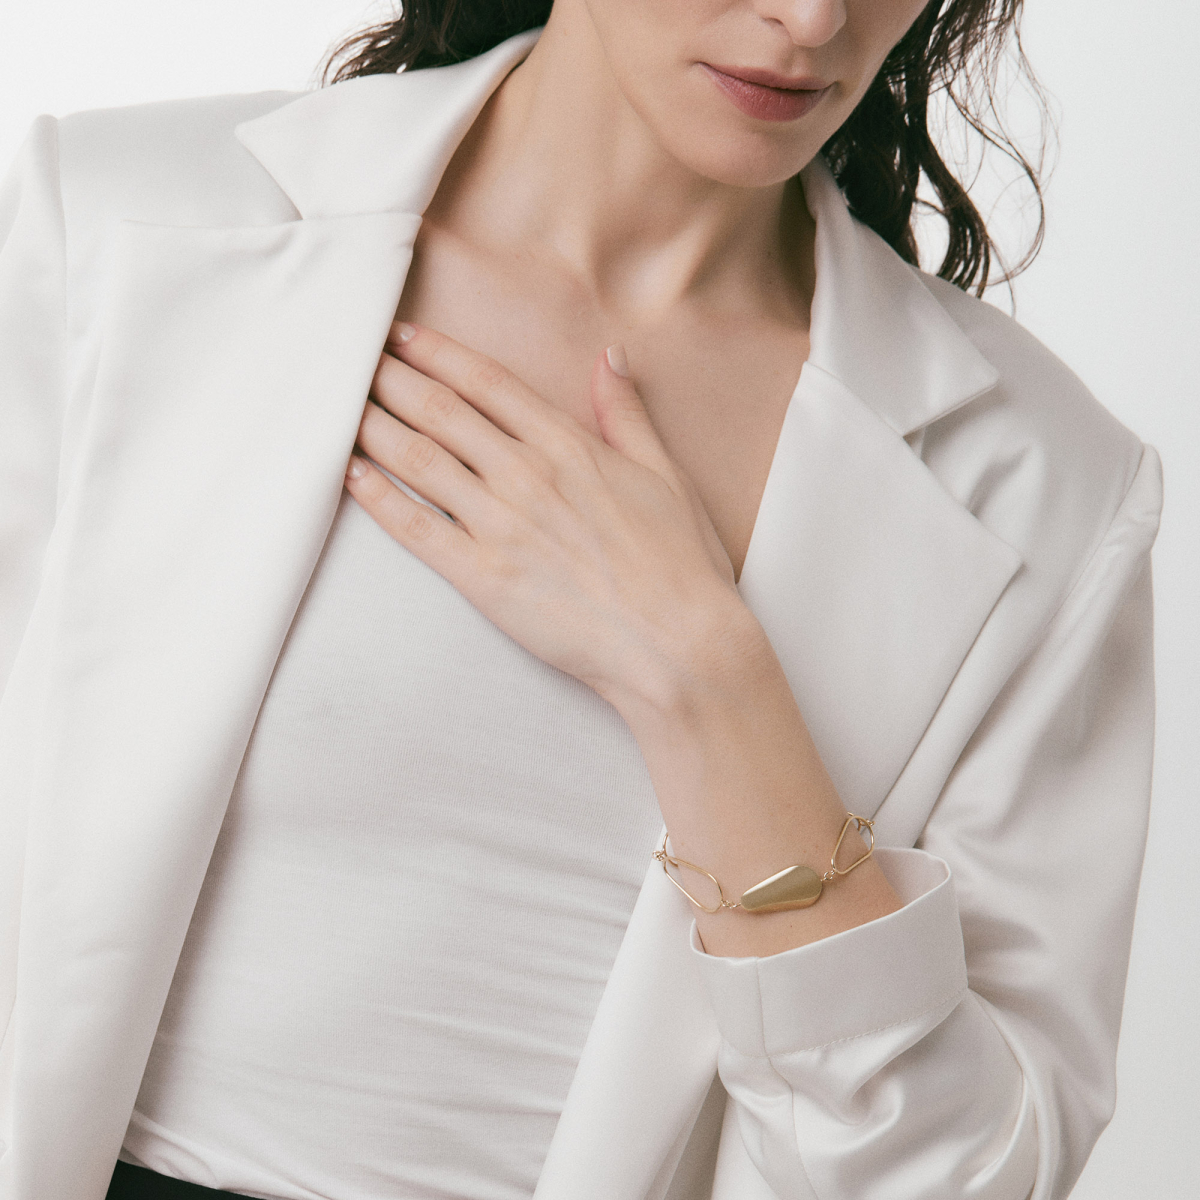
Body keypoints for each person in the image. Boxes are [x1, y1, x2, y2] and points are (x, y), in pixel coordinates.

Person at [0, 1, 1161, 1198]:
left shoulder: (1050, 488)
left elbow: (959, 1176)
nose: (813, 17)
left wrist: (705, 679)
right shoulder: (119, 223)